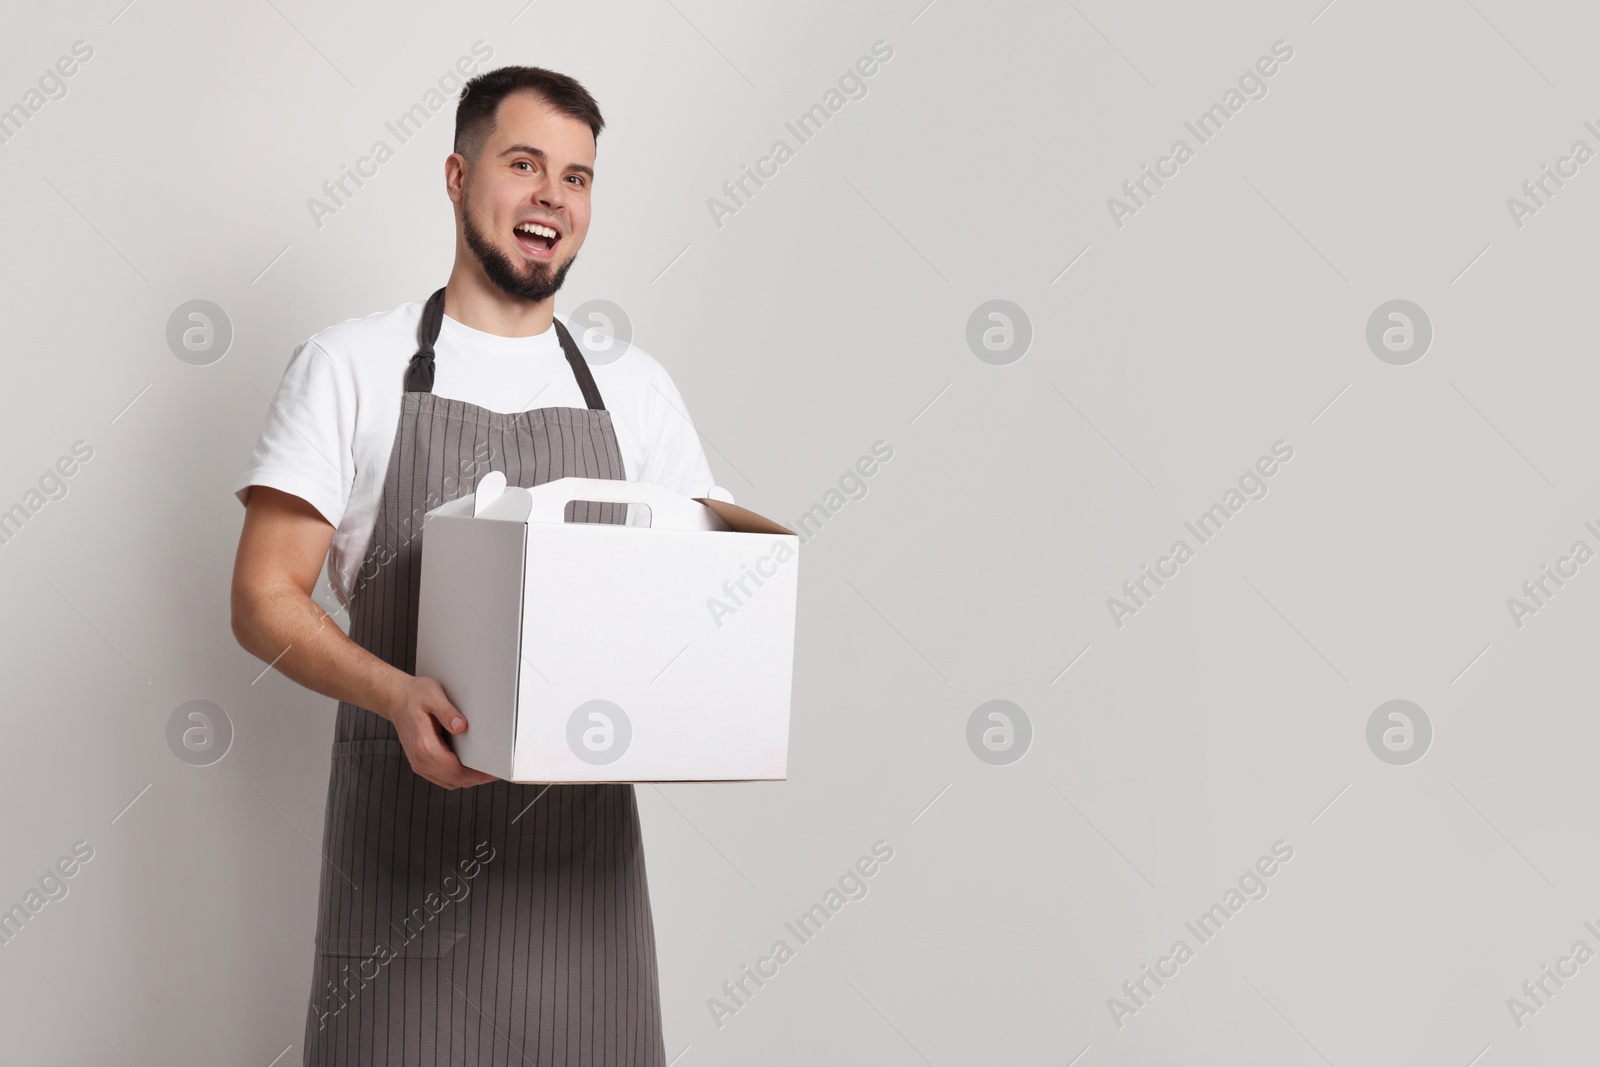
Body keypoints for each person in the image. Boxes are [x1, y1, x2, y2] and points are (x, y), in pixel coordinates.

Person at [230, 64, 713, 1065]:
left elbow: (698, 605)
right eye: (524, 163)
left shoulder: (636, 390)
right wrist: (397, 692)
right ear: (456, 177)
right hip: (399, 895)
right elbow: (263, 595)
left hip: (586, 905)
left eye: (576, 177)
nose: (551, 195)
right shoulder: (350, 365)